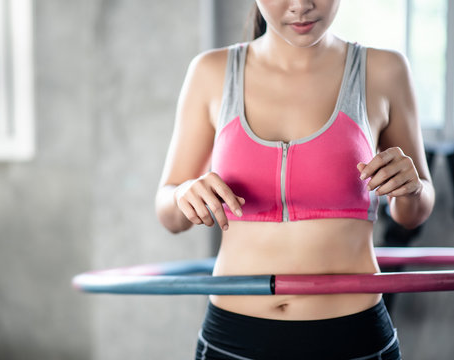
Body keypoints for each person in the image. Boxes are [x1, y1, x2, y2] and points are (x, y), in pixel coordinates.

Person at [155, 0, 435, 359]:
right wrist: (183, 196)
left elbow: (413, 210)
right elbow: (168, 211)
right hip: (233, 339)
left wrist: (411, 189)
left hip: (353, 337)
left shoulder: (384, 69)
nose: (301, 5)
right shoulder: (210, 72)